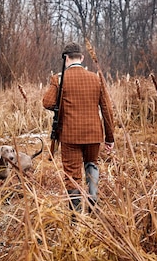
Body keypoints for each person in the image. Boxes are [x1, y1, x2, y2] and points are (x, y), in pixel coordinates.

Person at [42, 42, 115, 213]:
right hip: (94, 135)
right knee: (92, 164)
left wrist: (63, 104)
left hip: (70, 136)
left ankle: (75, 218)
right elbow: (107, 110)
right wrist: (109, 138)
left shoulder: (59, 79)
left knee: (72, 176)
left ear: (66, 59)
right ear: (81, 58)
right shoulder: (96, 78)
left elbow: (47, 103)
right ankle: (93, 203)